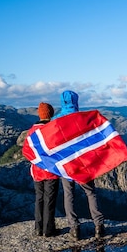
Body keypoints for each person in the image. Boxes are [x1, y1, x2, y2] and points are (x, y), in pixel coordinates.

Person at [53, 90, 105, 240]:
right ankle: (99, 226)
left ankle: (74, 228)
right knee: (90, 192)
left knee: (69, 194)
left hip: (66, 164)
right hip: (83, 163)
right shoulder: (84, 118)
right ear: (76, 101)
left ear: (62, 102)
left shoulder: (55, 121)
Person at [25, 102, 60, 237]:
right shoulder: (52, 129)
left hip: (37, 170)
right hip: (51, 171)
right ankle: (48, 230)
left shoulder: (32, 130)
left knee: (39, 198)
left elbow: (27, 151)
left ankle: (38, 228)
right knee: (49, 200)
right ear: (50, 114)